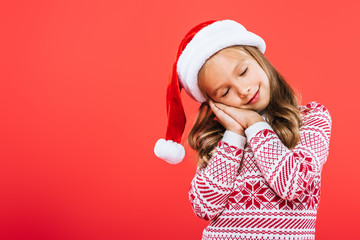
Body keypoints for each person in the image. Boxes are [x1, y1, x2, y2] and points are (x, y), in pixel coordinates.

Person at [154, 19, 332, 240]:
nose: (243, 90)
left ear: (259, 59)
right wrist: (234, 135)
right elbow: (204, 207)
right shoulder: (221, 141)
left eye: (243, 71)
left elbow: (292, 184)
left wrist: (254, 124)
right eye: (225, 92)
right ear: (213, 104)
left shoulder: (311, 119)